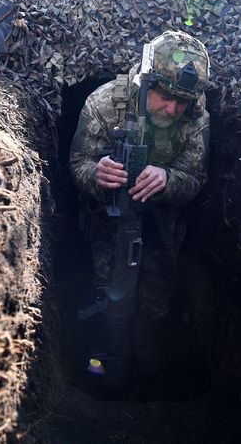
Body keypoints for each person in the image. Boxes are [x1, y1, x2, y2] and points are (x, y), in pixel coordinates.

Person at [70, 30, 211, 391]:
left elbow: (195, 178)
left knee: (157, 296)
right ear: (146, 83)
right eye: (164, 97)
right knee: (109, 292)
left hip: (162, 225)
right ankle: (113, 359)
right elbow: (77, 164)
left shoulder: (195, 115)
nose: (172, 109)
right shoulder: (104, 104)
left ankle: (146, 346)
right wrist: (97, 174)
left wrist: (168, 178)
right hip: (110, 223)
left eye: (181, 102)